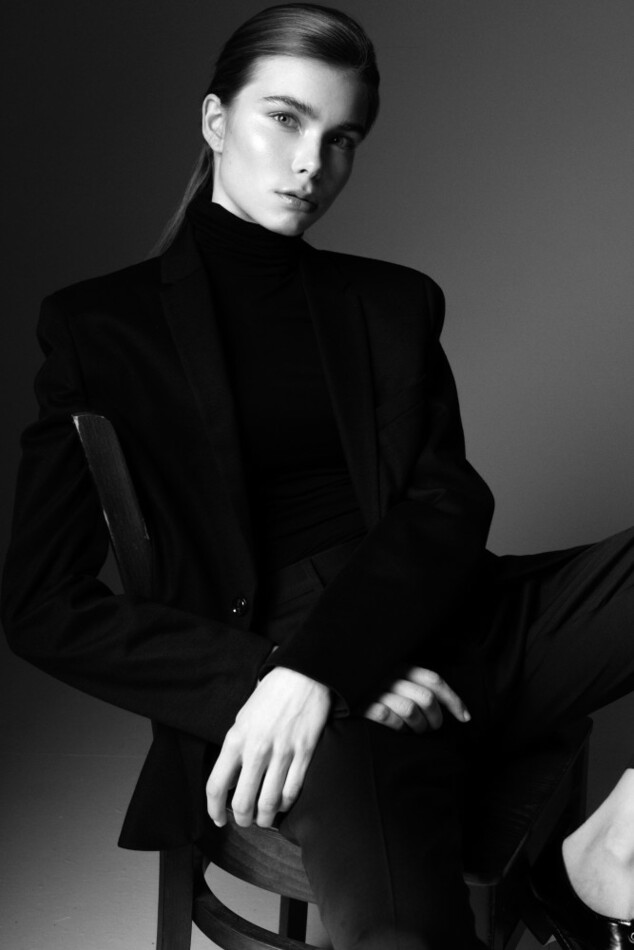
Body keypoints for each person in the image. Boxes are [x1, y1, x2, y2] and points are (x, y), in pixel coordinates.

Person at [2, 4, 633, 948]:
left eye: (342, 139)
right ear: (216, 121)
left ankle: (603, 861)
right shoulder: (101, 329)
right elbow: (42, 606)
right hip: (291, 681)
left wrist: (336, 656)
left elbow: (447, 502)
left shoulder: (392, 302)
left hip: (463, 617)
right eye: (285, 119)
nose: (312, 162)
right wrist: (291, 676)